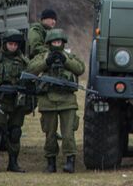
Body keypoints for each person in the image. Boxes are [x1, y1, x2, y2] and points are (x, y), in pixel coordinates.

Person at [27, 28, 84, 173]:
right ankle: (50, 162)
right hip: (48, 101)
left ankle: (70, 161)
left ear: (63, 43)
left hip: (67, 101)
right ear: (48, 43)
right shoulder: (42, 56)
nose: (57, 44)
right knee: (50, 135)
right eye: (54, 42)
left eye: (59, 42)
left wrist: (66, 61)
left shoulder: (69, 56)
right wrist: (46, 62)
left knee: (68, 134)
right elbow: (31, 69)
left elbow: (80, 68)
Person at [0, 30, 33, 173]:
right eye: (10, 44)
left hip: (17, 101)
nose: (13, 47)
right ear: (5, 44)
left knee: (15, 132)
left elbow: (32, 79)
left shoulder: (24, 61)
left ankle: (13, 163)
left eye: (16, 44)